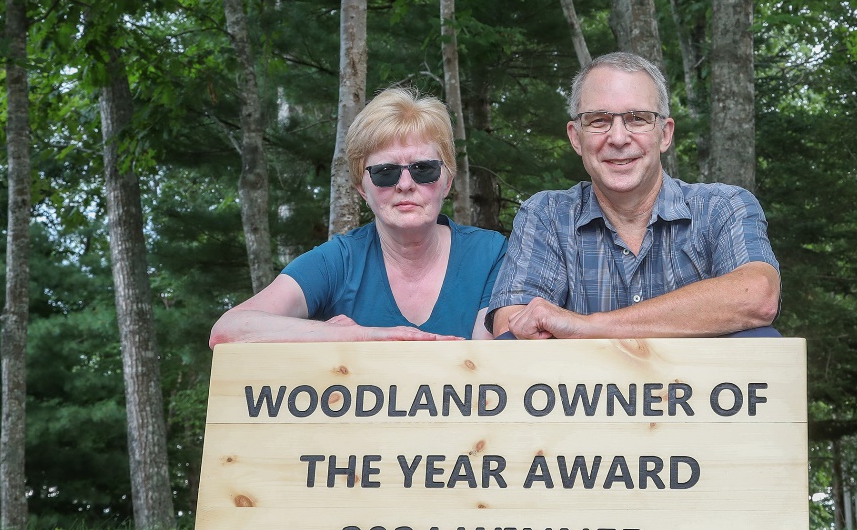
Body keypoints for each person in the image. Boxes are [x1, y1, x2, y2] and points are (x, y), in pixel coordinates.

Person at [488, 52, 780, 339]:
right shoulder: (547, 215)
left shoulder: (722, 207)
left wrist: (588, 327)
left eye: (637, 118)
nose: (617, 138)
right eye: (598, 120)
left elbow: (757, 295)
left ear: (665, 134)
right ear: (576, 137)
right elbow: (514, 327)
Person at [210, 86, 506, 345]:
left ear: (447, 180)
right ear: (362, 188)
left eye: (423, 169)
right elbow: (228, 329)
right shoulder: (337, 262)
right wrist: (354, 336)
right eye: (385, 172)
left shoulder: (490, 254)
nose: (405, 185)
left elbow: (488, 360)